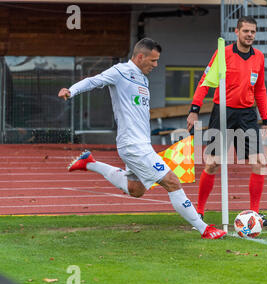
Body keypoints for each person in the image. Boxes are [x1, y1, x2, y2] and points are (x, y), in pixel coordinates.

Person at [58, 38, 226, 239]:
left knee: (136, 189)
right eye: (153, 61)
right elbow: (94, 81)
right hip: (133, 145)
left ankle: (90, 163)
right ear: (140, 57)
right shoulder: (120, 71)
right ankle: (204, 229)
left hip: (140, 144)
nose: (156, 65)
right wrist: (72, 90)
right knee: (172, 181)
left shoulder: (143, 79)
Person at [187, 16, 267, 227]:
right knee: (212, 163)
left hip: (247, 115)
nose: (249, 35)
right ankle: (199, 212)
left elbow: (260, 89)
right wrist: (194, 110)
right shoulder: (223, 53)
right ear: (237, 32)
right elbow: (205, 81)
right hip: (223, 112)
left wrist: (266, 118)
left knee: (259, 162)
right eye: (245, 31)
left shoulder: (259, 57)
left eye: (253, 32)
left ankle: (254, 214)